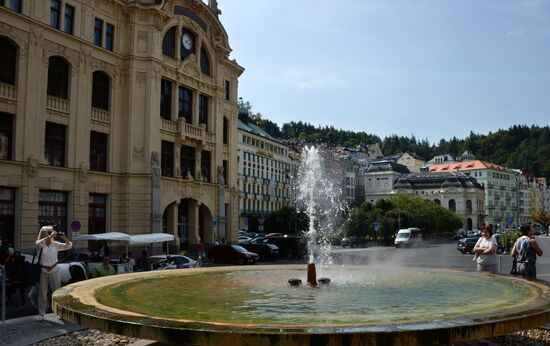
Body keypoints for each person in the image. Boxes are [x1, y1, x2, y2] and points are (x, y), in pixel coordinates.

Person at [35, 225, 73, 320]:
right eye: (49, 232)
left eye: (51, 232)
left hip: (54, 269)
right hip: (43, 271)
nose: (52, 233)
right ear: (44, 233)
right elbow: (39, 243)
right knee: (42, 293)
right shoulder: (40, 243)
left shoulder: (55, 244)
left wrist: (64, 238)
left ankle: (60, 312)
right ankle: (41, 314)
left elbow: (69, 246)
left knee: (57, 292)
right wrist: (50, 236)